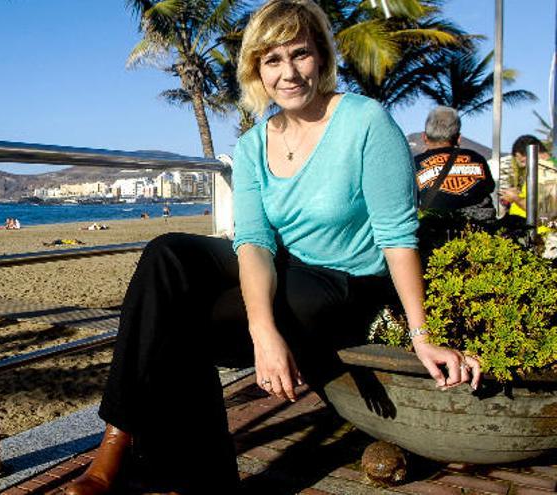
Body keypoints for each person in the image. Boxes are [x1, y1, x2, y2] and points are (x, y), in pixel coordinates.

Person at [64, 2, 480, 494]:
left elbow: (396, 235)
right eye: (272, 60)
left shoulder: (365, 121)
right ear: (256, 70)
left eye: (299, 55)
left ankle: (193, 478)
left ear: (321, 57)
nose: (289, 73)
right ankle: (117, 439)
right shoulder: (253, 142)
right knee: (167, 253)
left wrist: (420, 334)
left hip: (343, 282)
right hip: (282, 267)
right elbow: (255, 242)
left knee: (185, 321)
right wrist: (263, 332)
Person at [414, 106, 495, 222]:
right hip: (481, 233)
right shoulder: (477, 159)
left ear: (424, 137)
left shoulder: (415, 164)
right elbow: (489, 187)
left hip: (435, 234)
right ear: (458, 138)